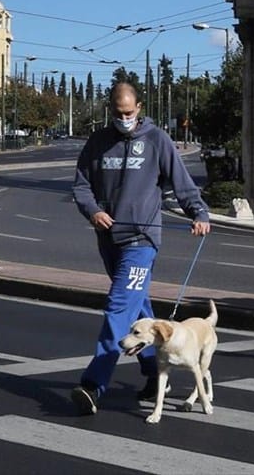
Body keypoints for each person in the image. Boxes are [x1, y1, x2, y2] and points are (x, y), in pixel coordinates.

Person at [69, 81, 211, 415]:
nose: (124, 119)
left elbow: (181, 182)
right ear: (111, 110)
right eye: (118, 114)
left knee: (118, 309)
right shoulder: (99, 142)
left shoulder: (156, 140)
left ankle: (93, 384)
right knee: (139, 311)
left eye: (129, 113)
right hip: (109, 238)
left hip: (141, 242)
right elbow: (81, 185)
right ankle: (152, 374)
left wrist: (199, 213)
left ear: (140, 107)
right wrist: (94, 211)